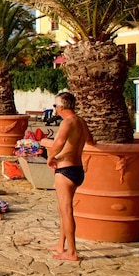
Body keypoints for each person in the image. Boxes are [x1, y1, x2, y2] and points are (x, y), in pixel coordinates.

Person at [40, 91, 94, 262]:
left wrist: (51, 157)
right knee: (63, 209)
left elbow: (58, 144)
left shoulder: (67, 122)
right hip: (78, 169)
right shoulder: (80, 121)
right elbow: (91, 141)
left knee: (66, 210)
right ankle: (60, 244)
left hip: (65, 170)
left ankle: (71, 251)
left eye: (55, 106)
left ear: (61, 107)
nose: (55, 109)